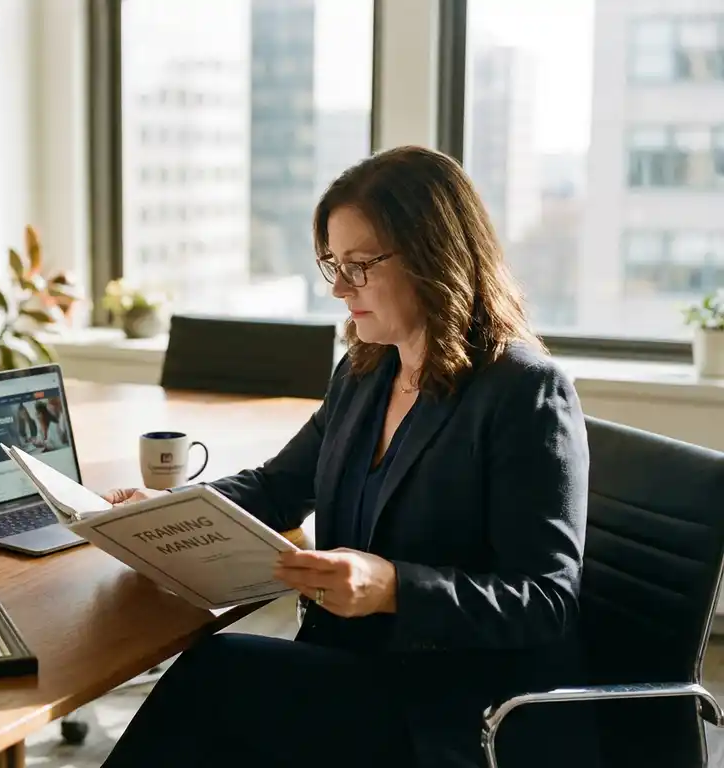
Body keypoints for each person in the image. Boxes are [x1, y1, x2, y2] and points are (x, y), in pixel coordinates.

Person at [99, 146, 600, 768]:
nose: (339, 288)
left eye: (360, 266)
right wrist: (164, 511)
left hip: (457, 707)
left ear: (434, 257)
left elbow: (546, 599)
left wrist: (396, 589)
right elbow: (277, 486)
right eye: (333, 264)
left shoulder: (523, 391)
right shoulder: (367, 372)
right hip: (358, 667)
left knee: (217, 678)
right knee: (216, 690)